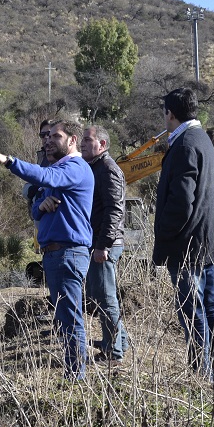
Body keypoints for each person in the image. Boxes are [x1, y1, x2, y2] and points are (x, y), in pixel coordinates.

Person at [0, 120, 94, 380]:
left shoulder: (75, 168)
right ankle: (74, 375)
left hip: (68, 254)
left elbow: (45, 177)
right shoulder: (60, 170)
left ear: (73, 140)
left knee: (70, 319)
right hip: (56, 254)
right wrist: (41, 207)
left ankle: (76, 378)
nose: (48, 141)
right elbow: (36, 208)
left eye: (56, 136)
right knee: (65, 318)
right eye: (47, 136)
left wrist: (7, 160)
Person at [153, 88, 214, 388]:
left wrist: (162, 232)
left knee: (194, 315)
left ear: (170, 114)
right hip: (205, 243)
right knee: (211, 313)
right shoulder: (202, 140)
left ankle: (202, 380)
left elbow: (182, 203)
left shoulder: (185, 144)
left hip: (187, 246)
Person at [80, 125, 130, 364]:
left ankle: (113, 353)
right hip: (99, 242)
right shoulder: (95, 168)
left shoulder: (108, 169)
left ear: (102, 145)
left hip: (105, 244)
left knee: (106, 297)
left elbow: (115, 210)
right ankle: (120, 342)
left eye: (88, 140)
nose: (82, 143)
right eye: (82, 140)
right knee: (101, 296)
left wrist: (103, 245)